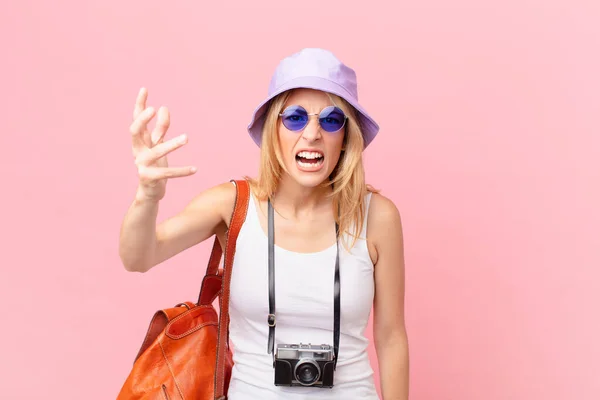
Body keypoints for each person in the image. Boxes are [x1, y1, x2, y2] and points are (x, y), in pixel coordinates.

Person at [119, 48, 409, 399]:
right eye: (296, 118)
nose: (313, 133)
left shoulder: (378, 217)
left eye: (332, 120)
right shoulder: (232, 205)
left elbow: (391, 338)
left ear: (346, 137)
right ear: (274, 127)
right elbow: (139, 257)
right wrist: (147, 195)